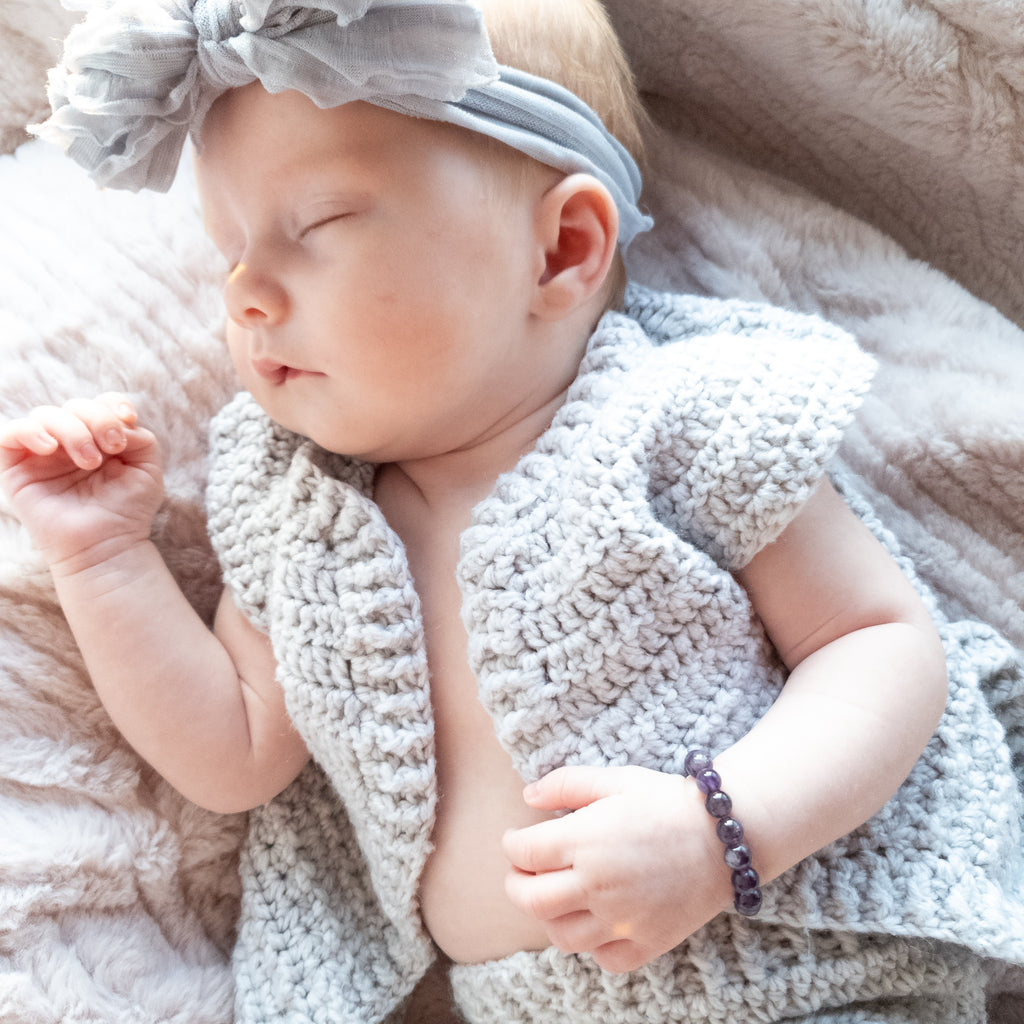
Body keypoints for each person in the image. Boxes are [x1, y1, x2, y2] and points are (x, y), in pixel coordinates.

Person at [4, 1, 1022, 1022]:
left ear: (562, 249)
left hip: (801, 974)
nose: (248, 294)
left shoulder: (684, 417)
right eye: (229, 249)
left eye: (315, 226)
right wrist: (101, 555)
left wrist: (720, 828)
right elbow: (233, 750)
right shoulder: (297, 513)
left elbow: (879, 641)